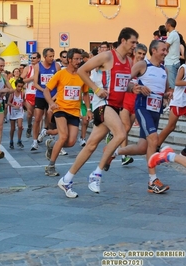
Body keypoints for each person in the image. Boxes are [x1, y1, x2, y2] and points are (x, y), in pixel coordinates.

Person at [57, 27, 138, 198]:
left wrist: (134, 88)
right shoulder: (108, 56)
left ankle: (67, 179)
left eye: (136, 43)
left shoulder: (128, 62)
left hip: (115, 105)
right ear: (123, 40)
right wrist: (95, 88)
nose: (135, 46)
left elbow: (123, 84)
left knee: (91, 145)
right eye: (133, 42)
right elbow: (81, 70)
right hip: (103, 103)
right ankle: (97, 173)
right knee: (121, 133)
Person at [106, 40, 171, 194]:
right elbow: (125, 81)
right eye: (163, 50)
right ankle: (152, 181)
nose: (165, 53)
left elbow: (167, 89)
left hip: (156, 110)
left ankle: (112, 152)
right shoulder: (143, 65)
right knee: (154, 140)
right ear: (154, 50)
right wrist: (138, 87)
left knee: (143, 147)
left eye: (166, 50)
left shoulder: (164, 69)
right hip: (143, 108)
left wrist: (169, 94)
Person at [43, 48, 91, 176]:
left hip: (74, 111)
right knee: (63, 136)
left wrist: (88, 110)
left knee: (71, 142)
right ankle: (50, 166)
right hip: (60, 109)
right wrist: (51, 104)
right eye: (76, 59)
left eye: (80, 59)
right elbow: (46, 90)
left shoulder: (82, 75)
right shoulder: (60, 74)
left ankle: (52, 144)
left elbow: (85, 93)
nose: (78, 61)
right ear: (69, 60)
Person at [109, 43, 147, 168]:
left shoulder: (144, 67)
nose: (141, 56)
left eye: (143, 54)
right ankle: (123, 156)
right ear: (135, 52)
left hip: (135, 102)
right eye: (139, 53)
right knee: (124, 128)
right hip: (125, 100)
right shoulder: (129, 63)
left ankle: (113, 137)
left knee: (127, 129)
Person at [31, 48, 61, 150]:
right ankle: (35, 141)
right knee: (38, 118)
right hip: (40, 95)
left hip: (52, 96)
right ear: (45, 56)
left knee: (51, 118)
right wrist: (44, 90)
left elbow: (60, 83)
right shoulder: (37, 67)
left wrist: (54, 95)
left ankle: (51, 137)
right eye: (50, 56)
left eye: (53, 56)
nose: (52, 58)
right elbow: (35, 83)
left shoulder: (56, 66)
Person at [21, 52, 40, 138]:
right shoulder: (28, 68)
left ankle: (38, 132)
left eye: (34, 58)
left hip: (39, 93)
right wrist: (32, 78)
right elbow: (21, 80)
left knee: (38, 115)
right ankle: (29, 126)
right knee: (29, 114)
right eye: (31, 58)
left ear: (38, 59)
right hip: (29, 93)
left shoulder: (42, 68)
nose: (32, 59)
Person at [7, 78, 25, 149]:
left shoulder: (22, 93)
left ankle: (19, 140)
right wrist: (14, 106)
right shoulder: (12, 93)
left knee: (20, 126)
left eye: (21, 86)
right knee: (13, 128)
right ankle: (11, 141)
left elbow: (23, 101)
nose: (20, 88)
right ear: (16, 86)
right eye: (18, 86)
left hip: (20, 111)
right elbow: (8, 102)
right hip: (13, 111)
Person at [164, 18, 180, 91]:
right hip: (174, 62)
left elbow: (165, 47)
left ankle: (172, 101)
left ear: (169, 25)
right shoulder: (175, 34)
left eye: (165, 24)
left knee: (171, 86)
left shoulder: (172, 34)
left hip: (171, 62)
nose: (165, 26)